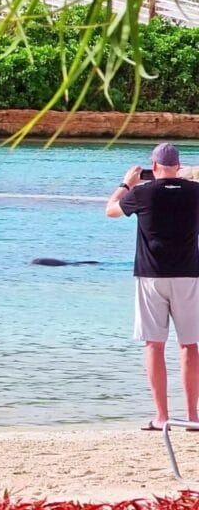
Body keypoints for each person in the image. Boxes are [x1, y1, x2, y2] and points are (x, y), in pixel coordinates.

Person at [106, 142, 199, 431]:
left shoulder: (141, 193)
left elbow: (110, 210)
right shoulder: (195, 193)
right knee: (189, 345)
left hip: (151, 276)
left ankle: (161, 416)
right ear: (179, 166)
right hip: (188, 275)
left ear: (154, 166)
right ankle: (193, 417)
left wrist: (126, 183)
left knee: (154, 345)